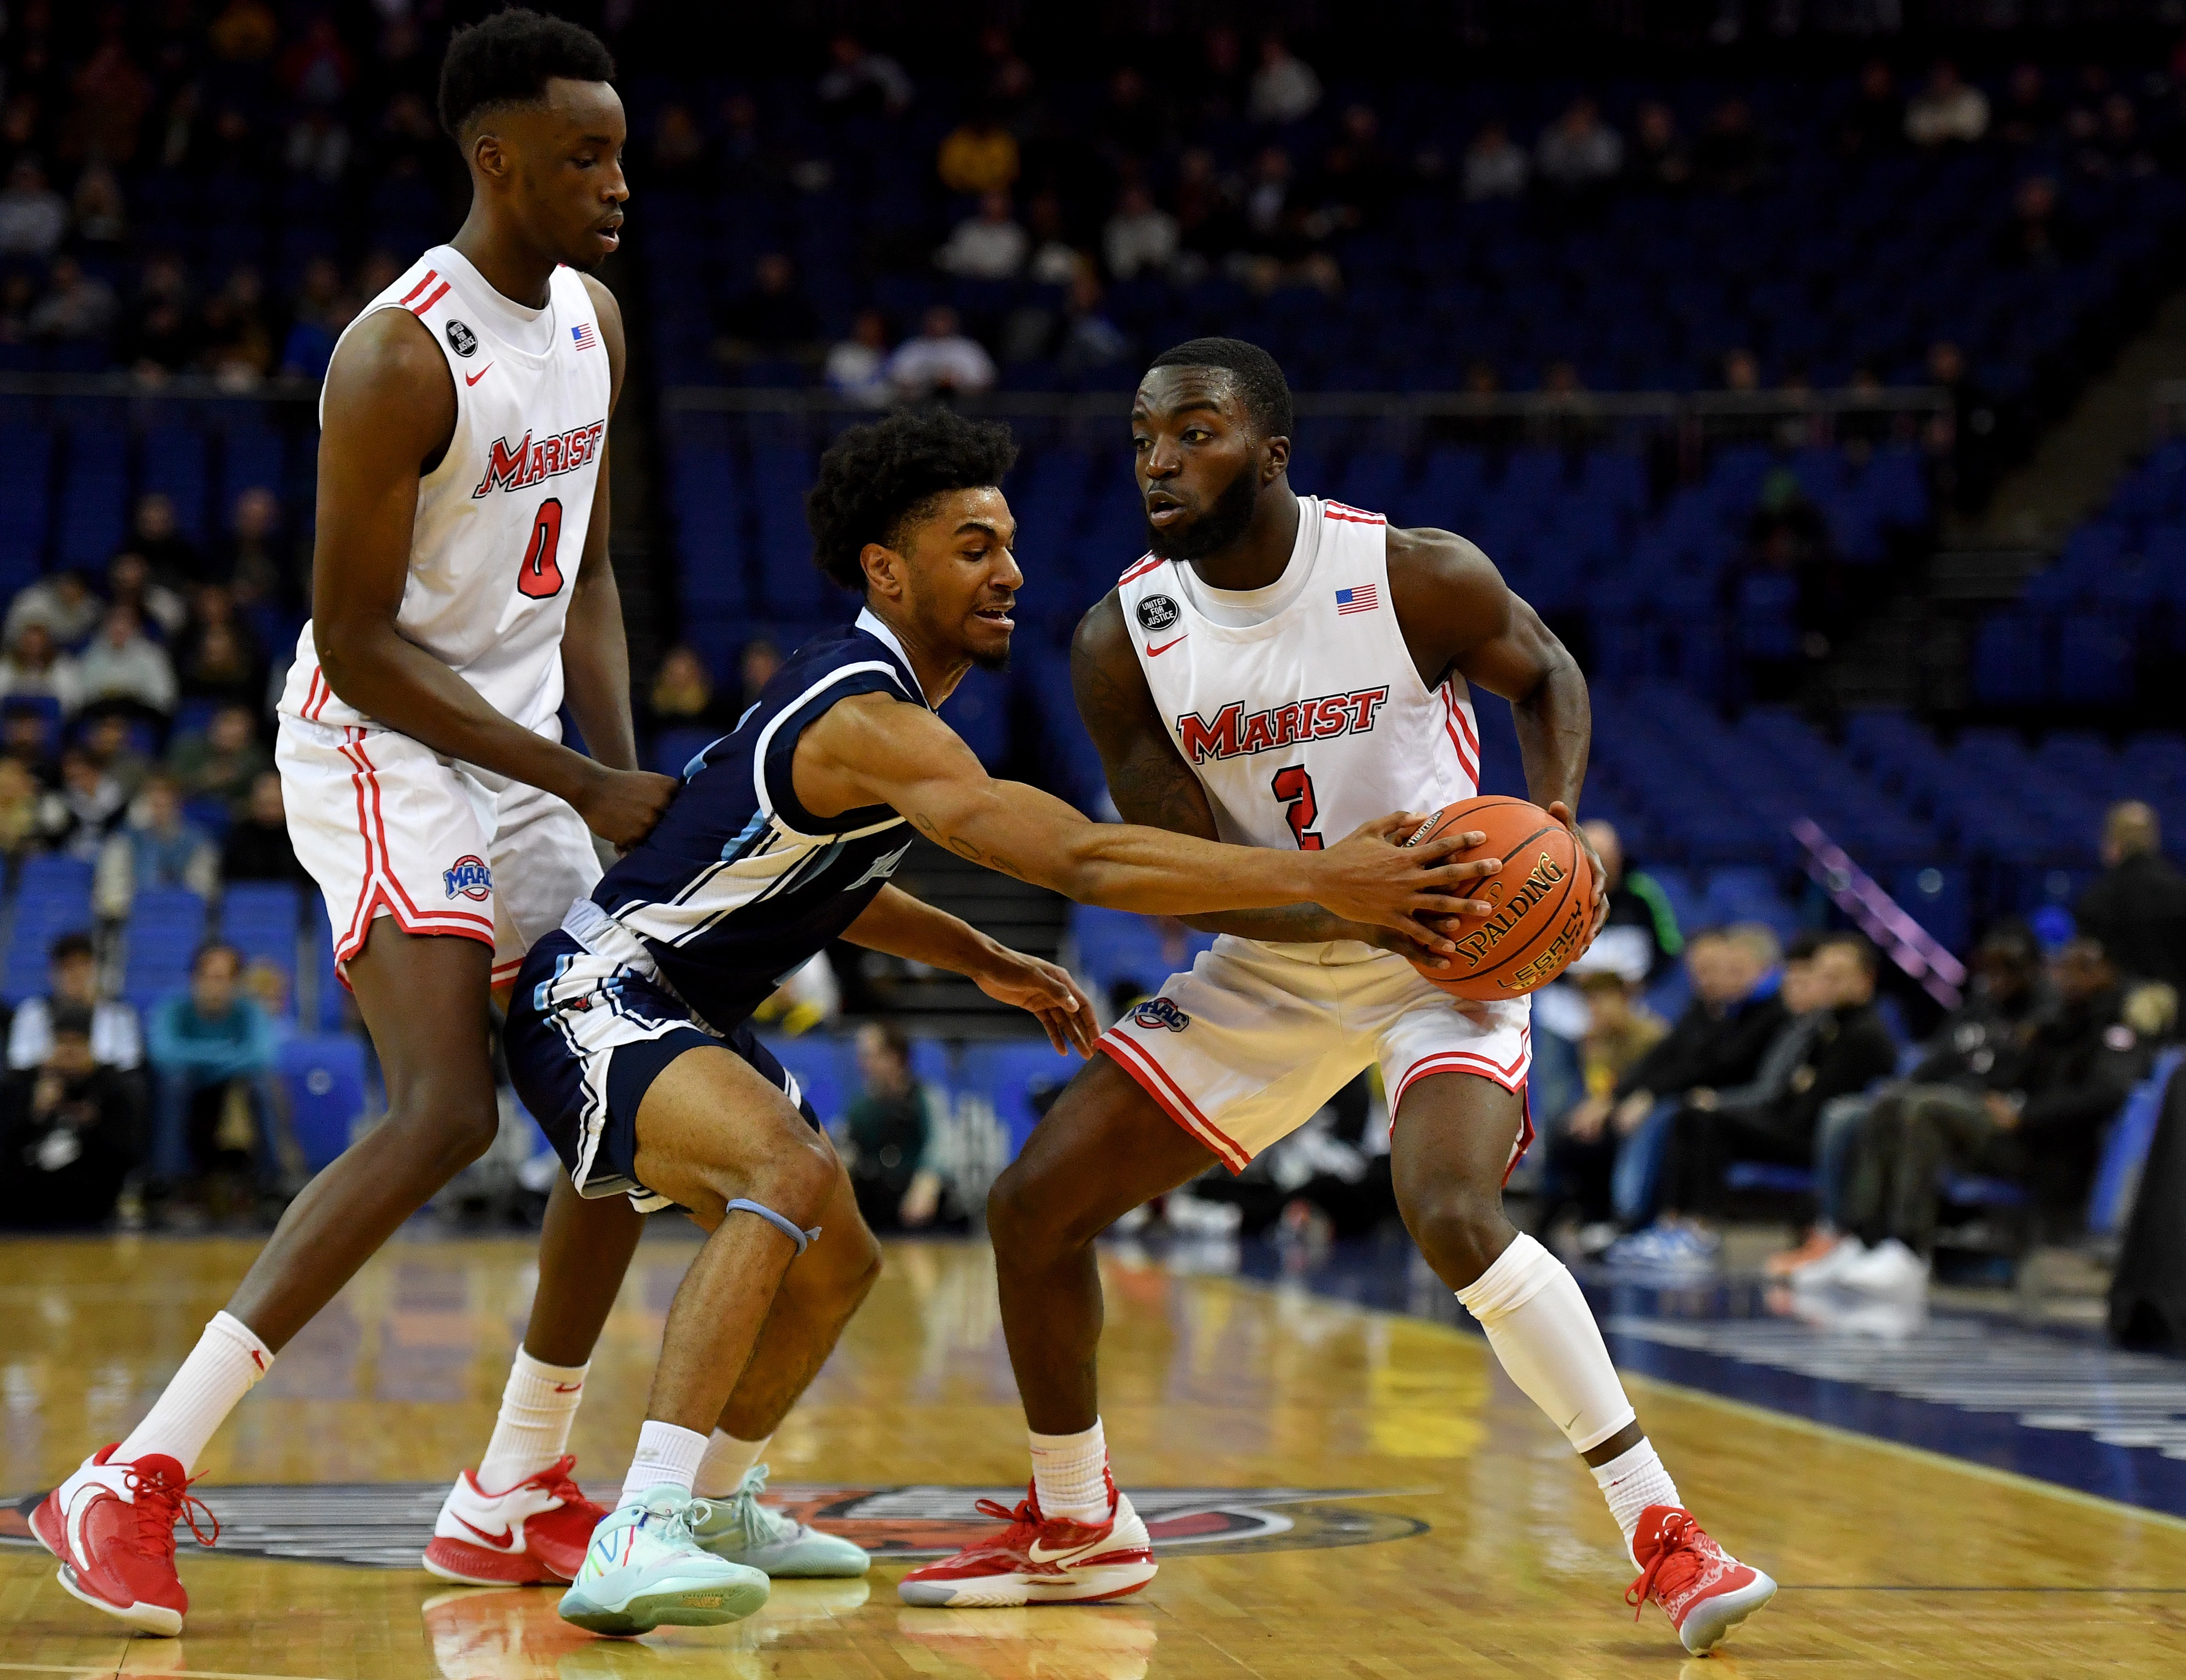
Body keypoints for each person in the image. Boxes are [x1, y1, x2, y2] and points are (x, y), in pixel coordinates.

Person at [451, 404, 1485, 1638]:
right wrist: (1321, 878)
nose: (1011, 573)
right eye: (972, 547)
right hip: (597, 993)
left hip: (682, 1005)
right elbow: (1085, 856)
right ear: (888, 569)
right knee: (782, 1169)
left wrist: (980, 952)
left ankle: (720, 1502)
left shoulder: (879, 709)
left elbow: (823, 880)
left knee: (841, 1261)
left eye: (1007, 544)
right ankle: (640, 1526)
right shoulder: (868, 713)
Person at [900, 340, 1775, 1655]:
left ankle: (1667, 1534)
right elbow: (1183, 876)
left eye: (1192, 433)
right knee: (1032, 1209)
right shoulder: (1119, 641)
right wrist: (1328, 898)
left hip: (1445, 950)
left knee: (1450, 1209)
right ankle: (1078, 1524)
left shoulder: (1411, 571)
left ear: (1269, 453)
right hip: (1272, 957)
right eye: (1143, 439)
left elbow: (1545, 672)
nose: (1158, 460)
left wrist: (1554, 825)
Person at [31, 11, 677, 1639]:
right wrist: (576, 783)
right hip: (382, 736)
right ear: (496, 161)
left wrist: (618, 783)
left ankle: (518, 1481)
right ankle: (127, 1474)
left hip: (529, 747)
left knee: (632, 1090)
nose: (617, 181)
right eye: (585, 155)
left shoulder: (596, 316)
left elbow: (588, 578)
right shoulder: (397, 353)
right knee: (448, 1105)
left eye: (620, 148)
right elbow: (364, 637)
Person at [1776, 921, 2047, 1282]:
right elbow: (1938, 1057)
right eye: (1989, 968)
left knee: (1922, 1107)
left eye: (2008, 969)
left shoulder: (2048, 1015)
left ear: (2032, 968)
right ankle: (1860, 1239)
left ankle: (1907, 1248)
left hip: (2009, 1129)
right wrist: (1900, 1087)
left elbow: (2051, 1081)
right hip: (1955, 1107)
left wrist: (2024, 1111)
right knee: (1884, 1103)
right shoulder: (1978, 1007)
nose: (1997, 978)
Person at [1631, 934, 1897, 1265]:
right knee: (1691, 1114)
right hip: (1791, 1122)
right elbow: (1789, 1088)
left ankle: (1699, 1231)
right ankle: (1672, 1224)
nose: (1826, 984)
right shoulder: (1822, 1025)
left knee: (1710, 1121)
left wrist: (1736, 1104)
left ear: (1864, 979)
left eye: (1836, 977)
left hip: (1813, 1138)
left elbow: (1808, 1103)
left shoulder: (1864, 1034)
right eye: (1823, 975)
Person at [143, 943, 281, 1212]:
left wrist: (200, 1060)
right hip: (186, 1090)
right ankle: (168, 1185)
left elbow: (262, 1057)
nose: (216, 986)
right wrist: (226, 1053)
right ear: (194, 979)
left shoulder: (250, 1012)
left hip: (231, 1091)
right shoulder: (172, 1008)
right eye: (209, 977)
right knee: (175, 1081)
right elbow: (162, 1054)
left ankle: (269, 1185)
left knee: (261, 1084)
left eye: (225, 979)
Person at [0, 1006, 140, 1230]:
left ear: (91, 1046)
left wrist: (94, 1125)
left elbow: (127, 1154)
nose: (69, 1051)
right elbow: (6, 1146)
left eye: (77, 1043)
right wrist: (35, 1113)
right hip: (24, 1202)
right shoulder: (23, 1084)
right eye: (62, 1042)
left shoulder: (113, 1088)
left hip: (90, 1201)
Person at [839, 1021, 944, 1232]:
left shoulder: (925, 1098)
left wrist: (927, 1186)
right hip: (874, 1207)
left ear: (894, 1058)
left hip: (916, 1210)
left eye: (870, 1056)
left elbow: (939, 1148)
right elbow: (846, 1154)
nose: (863, 1064)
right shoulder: (860, 1105)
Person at [2076, 801, 2186, 991]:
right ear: (2153, 840)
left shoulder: (2098, 898)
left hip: (2115, 1011)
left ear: (2113, 842)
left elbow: (2090, 969)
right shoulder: (2179, 891)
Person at [8, 932, 144, 1074]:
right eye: (68, 966)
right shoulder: (32, 1012)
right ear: (53, 973)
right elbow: (19, 1063)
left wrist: (88, 1063)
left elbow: (129, 1065)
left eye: (84, 965)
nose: (76, 974)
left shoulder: (119, 1015)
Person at [886, 305, 995, 399]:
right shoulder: (912, 348)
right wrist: (930, 381)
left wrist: (956, 382)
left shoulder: (969, 348)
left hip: (964, 407)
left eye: (943, 320)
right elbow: (895, 377)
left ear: (953, 323)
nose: (939, 325)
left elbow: (987, 380)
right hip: (919, 408)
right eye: (936, 320)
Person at [219, 771, 304, 884]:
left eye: (275, 804)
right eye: (265, 804)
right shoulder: (239, 838)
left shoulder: (301, 838)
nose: (271, 812)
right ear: (253, 803)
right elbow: (229, 880)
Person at [0, 621, 84, 713]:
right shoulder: (7, 665)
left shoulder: (63, 666)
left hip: (52, 721)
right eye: (30, 645)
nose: (34, 650)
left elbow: (74, 702)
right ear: (21, 644)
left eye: (39, 645)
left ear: (48, 645)